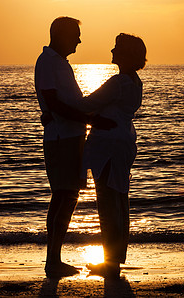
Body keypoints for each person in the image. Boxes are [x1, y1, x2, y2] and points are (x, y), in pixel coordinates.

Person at [35, 16, 116, 278]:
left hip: (70, 137)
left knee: (68, 196)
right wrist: (91, 119)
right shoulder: (48, 61)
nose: (79, 41)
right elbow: (54, 103)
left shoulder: (59, 63)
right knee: (63, 195)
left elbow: (63, 103)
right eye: (75, 36)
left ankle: (54, 259)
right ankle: (52, 260)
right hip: (61, 139)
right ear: (61, 35)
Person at [69, 33, 146, 277]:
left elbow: (86, 103)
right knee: (119, 200)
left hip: (109, 147)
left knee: (109, 201)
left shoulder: (119, 82)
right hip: (122, 143)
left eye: (117, 48)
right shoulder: (135, 82)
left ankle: (110, 263)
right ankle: (114, 259)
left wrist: (62, 103)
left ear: (125, 54)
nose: (112, 50)